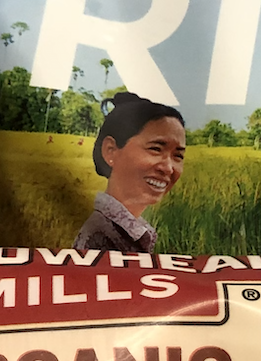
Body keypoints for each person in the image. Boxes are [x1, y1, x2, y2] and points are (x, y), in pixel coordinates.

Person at [74, 93, 186, 252]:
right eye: (155, 149)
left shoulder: (133, 231)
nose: (168, 168)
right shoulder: (99, 236)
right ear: (110, 151)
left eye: (178, 156)